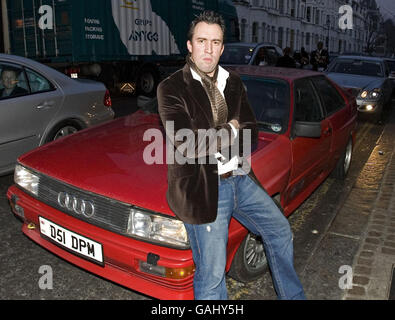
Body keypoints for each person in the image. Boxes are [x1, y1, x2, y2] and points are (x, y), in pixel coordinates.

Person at [157, 10, 305, 300]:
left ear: (223, 47)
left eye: (215, 42)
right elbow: (188, 145)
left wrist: (224, 135)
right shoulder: (171, 87)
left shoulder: (233, 82)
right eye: (202, 41)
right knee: (212, 276)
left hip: (239, 178)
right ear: (189, 45)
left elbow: (250, 130)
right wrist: (230, 129)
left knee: (280, 232)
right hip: (203, 186)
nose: (208, 49)